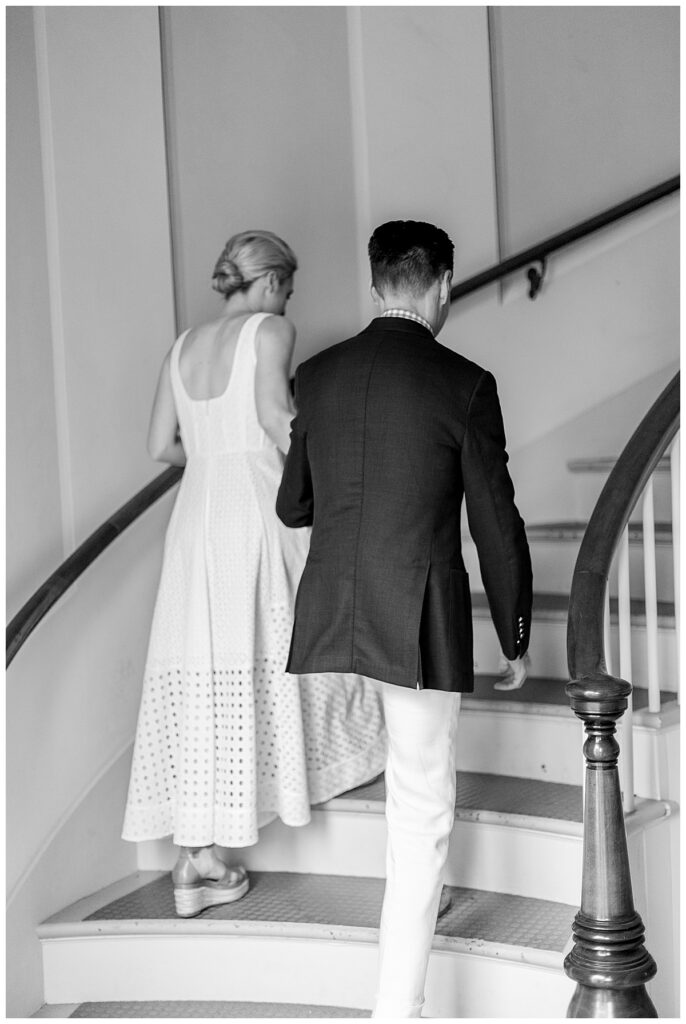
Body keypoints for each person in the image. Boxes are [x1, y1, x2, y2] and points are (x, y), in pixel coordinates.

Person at [276, 220, 532, 1018]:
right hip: (414, 613)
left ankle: (414, 913)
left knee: (406, 793)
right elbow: (496, 520)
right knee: (423, 802)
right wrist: (514, 632)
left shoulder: (317, 375)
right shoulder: (465, 383)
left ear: (377, 281)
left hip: (332, 611)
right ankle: (398, 1007)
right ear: (444, 285)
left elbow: (294, 505)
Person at [122, 230, 386, 918]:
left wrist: (213, 455)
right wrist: (325, 464)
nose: (288, 300)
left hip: (196, 518)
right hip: (256, 506)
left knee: (209, 669)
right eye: (288, 288)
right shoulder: (271, 329)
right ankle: (297, 786)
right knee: (297, 637)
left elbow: (159, 446)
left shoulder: (182, 346)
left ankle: (195, 858)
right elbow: (277, 417)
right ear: (271, 283)